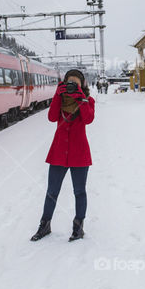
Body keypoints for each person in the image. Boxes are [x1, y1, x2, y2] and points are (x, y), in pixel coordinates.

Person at [30, 69, 95, 242]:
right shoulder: (60, 100)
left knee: (79, 192)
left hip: (79, 153)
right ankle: (44, 226)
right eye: (69, 82)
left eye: (76, 83)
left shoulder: (88, 101)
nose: (72, 85)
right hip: (58, 153)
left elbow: (88, 119)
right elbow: (52, 117)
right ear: (64, 83)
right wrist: (57, 96)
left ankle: (78, 228)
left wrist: (81, 98)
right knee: (52, 191)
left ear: (82, 85)